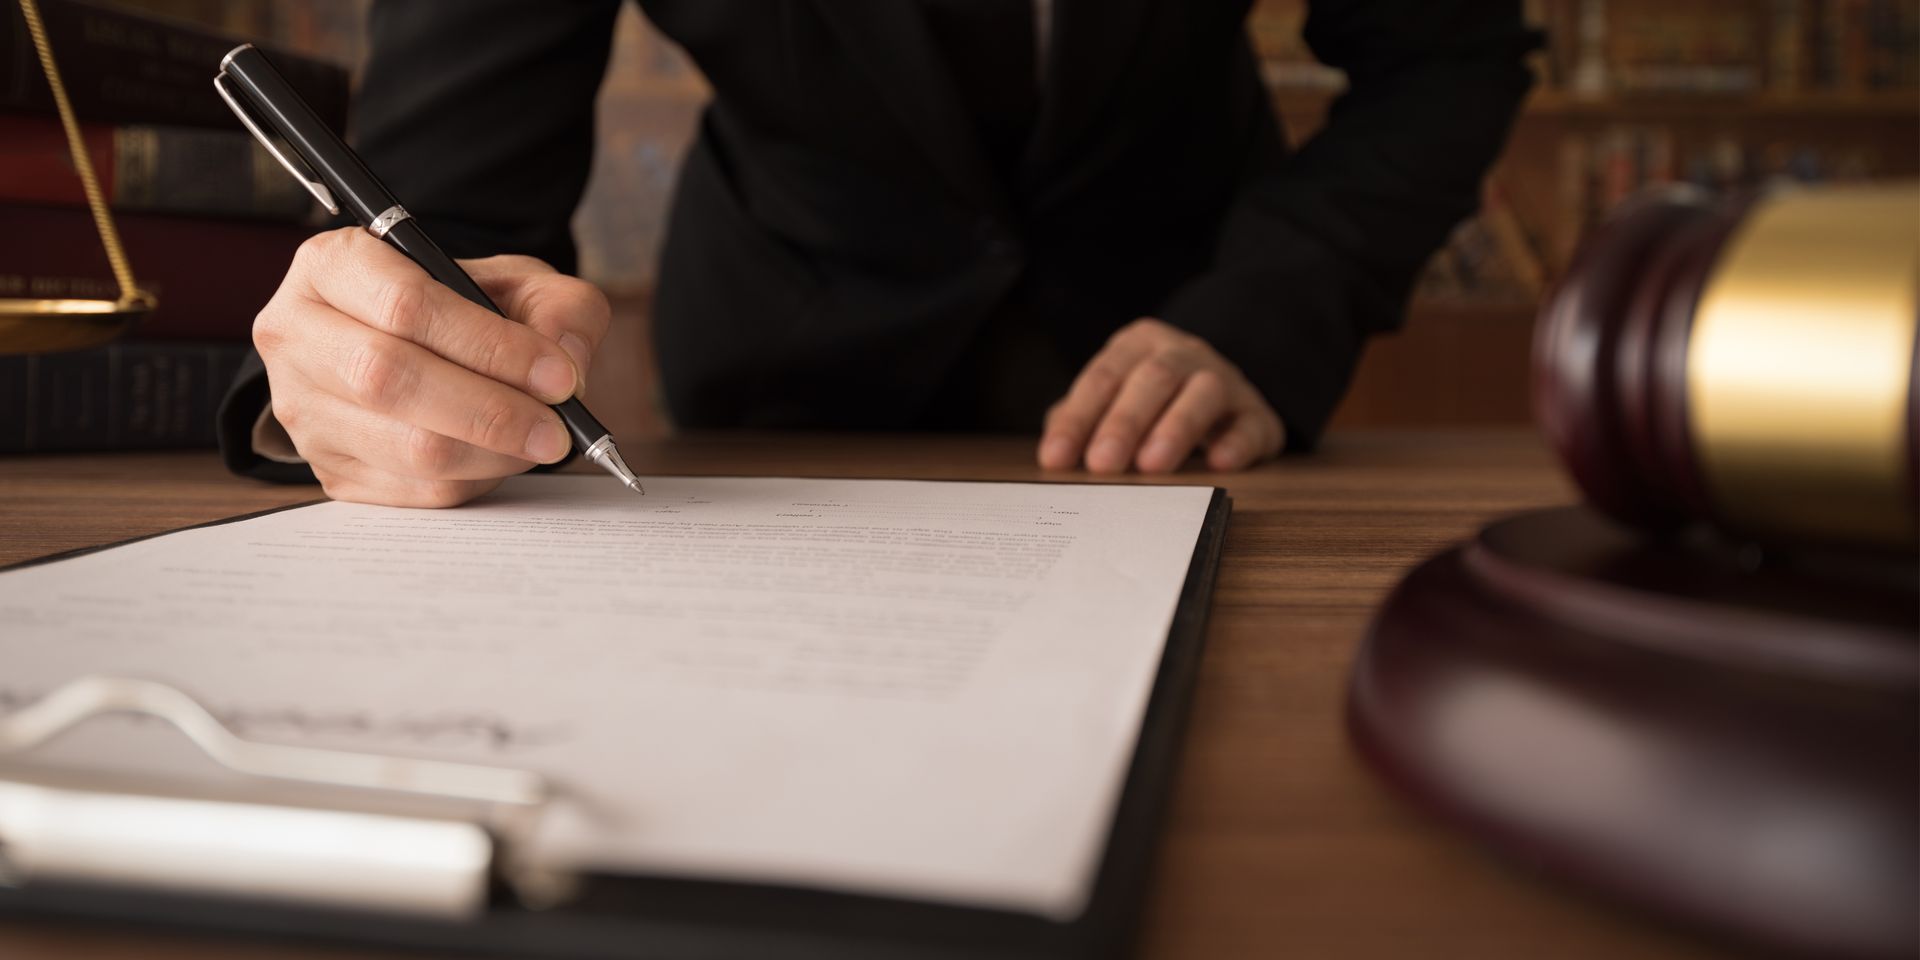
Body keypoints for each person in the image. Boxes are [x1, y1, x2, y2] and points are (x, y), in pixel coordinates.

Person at [218, 0, 1536, 507]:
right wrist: (383, 363)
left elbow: (1447, 51)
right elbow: (442, 216)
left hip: (1198, 385)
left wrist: (1273, 302)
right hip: (781, 374)